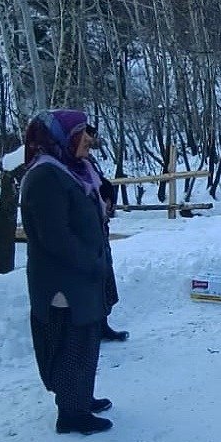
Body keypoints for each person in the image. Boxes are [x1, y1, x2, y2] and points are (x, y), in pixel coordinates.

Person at [20, 110, 113, 435]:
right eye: (81, 131)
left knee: (86, 339)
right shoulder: (46, 176)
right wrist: (91, 261)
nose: (89, 137)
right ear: (60, 137)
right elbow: (55, 236)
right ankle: (71, 414)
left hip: (81, 275)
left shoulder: (75, 169)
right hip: (62, 281)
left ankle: (80, 398)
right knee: (69, 343)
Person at [84, 123, 128, 343]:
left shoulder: (89, 162)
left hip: (99, 226)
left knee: (103, 275)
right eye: (87, 137)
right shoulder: (69, 165)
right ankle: (90, 327)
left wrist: (108, 198)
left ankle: (102, 324)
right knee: (90, 278)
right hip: (86, 231)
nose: (90, 142)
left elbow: (102, 184)